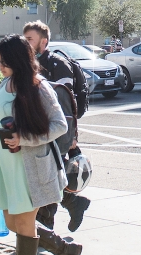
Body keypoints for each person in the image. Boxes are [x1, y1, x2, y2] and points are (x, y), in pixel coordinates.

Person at [0, 34, 80, 255]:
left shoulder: (38, 87)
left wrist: (24, 139)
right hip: (8, 167)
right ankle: (67, 250)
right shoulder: (6, 83)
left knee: (25, 225)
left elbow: (60, 126)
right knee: (12, 223)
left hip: (30, 168)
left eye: (4, 61)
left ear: (17, 59)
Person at [22, 21, 92, 233]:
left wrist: (71, 137)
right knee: (47, 179)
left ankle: (46, 232)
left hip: (56, 134)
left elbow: (66, 105)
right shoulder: (30, 66)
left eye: (29, 40)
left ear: (43, 42)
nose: (26, 44)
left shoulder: (58, 64)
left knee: (46, 180)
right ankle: (73, 204)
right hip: (39, 134)